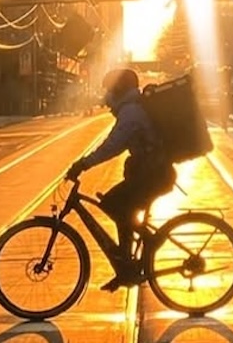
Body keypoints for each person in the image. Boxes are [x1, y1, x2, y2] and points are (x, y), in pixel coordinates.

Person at [66, 69, 176, 292]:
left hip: (154, 175)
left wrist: (83, 164)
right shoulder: (131, 108)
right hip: (150, 173)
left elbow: (112, 146)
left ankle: (150, 240)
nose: (107, 95)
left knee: (113, 203)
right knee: (119, 206)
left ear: (119, 89)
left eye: (110, 89)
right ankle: (125, 266)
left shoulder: (131, 112)